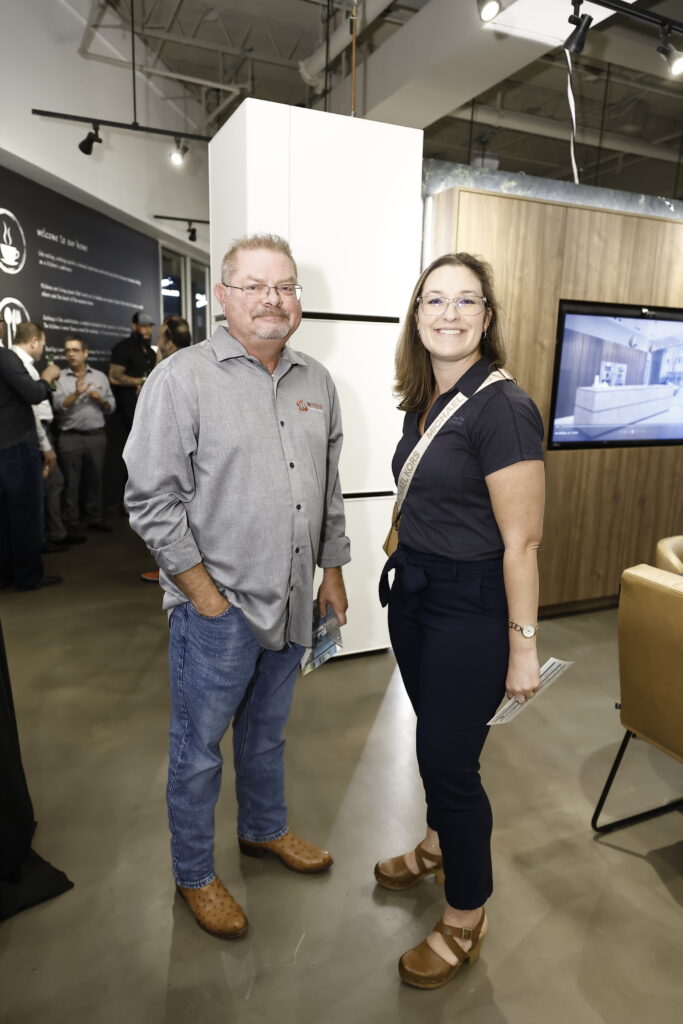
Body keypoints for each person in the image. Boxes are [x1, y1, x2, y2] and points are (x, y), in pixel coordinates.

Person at [124, 234, 350, 940]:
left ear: (297, 301)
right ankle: (194, 873)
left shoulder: (316, 381)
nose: (271, 299)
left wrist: (333, 570)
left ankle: (264, 831)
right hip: (215, 610)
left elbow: (326, 488)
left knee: (266, 735)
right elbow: (150, 500)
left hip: (291, 600)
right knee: (197, 750)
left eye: (283, 286)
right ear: (223, 297)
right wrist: (203, 595)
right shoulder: (181, 379)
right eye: (253, 286)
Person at [375, 252, 545, 989]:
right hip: (414, 600)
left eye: (465, 301)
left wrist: (522, 649)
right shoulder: (426, 398)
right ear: (417, 316)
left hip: (470, 611)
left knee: (450, 762)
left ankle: (465, 915)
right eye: (433, 300)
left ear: (486, 317)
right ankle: (438, 843)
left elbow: (522, 543)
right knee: (433, 740)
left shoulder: (502, 407)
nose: (448, 314)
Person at [0, 322, 62, 590]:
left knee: (5, 517)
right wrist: (47, 376)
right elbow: (34, 394)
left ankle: (7, 575)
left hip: (6, 445)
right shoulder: (6, 356)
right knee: (25, 514)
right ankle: (28, 576)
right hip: (16, 445)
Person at [140, 315, 192, 583]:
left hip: (168, 457)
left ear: (169, 341)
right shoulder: (193, 364)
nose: (157, 341)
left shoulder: (169, 370)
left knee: (163, 509)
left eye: (160, 336)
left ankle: (170, 570)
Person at [53, 336, 116, 534]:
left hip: (96, 437)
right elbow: (58, 406)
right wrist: (76, 394)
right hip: (70, 438)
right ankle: (72, 521)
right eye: (67, 350)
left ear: (85, 353)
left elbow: (111, 406)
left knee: (95, 480)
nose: (70, 354)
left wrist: (100, 400)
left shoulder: (99, 377)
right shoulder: (60, 378)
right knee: (71, 484)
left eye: (75, 350)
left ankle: (94, 517)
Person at [108, 311, 157, 433]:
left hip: (148, 409)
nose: (148, 330)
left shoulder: (151, 352)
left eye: (150, 326)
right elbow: (114, 376)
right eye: (143, 326)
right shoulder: (122, 348)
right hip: (127, 411)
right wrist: (142, 381)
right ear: (134, 326)